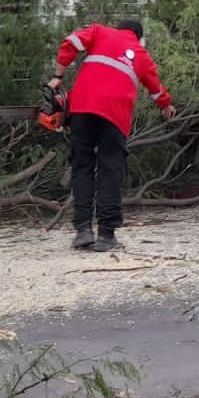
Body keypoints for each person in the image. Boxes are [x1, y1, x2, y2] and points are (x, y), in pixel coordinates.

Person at [50, 20, 176, 252]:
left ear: (118, 29)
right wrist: (166, 106)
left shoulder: (99, 32)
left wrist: (58, 75)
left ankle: (83, 231)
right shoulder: (140, 54)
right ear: (138, 37)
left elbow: (72, 42)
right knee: (110, 168)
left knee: (82, 166)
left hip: (82, 108)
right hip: (115, 115)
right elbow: (156, 88)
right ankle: (106, 235)